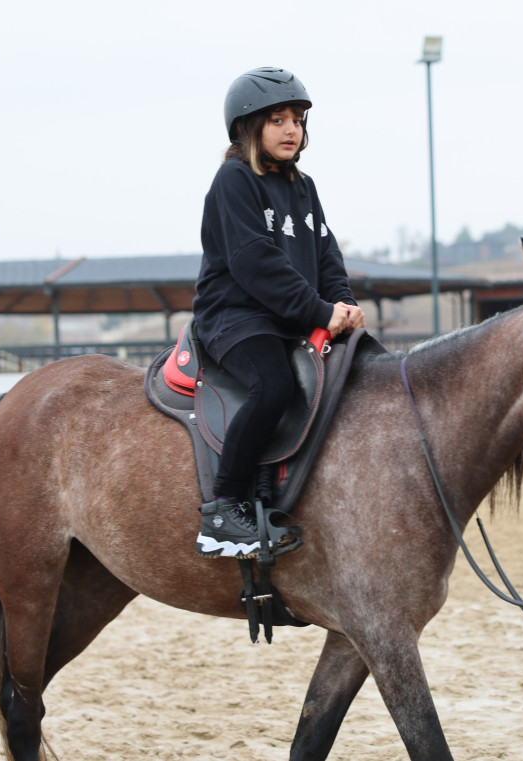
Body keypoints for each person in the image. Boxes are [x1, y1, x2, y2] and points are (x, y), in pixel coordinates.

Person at [191, 67, 365, 558]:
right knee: (275, 385)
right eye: (277, 120)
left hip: (288, 317)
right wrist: (317, 309)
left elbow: (326, 254)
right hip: (236, 317)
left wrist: (343, 301)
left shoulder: (303, 186)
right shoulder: (233, 181)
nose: (292, 130)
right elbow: (255, 263)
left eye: (297, 120)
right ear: (248, 128)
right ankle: (224, 511)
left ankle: (273, 496)